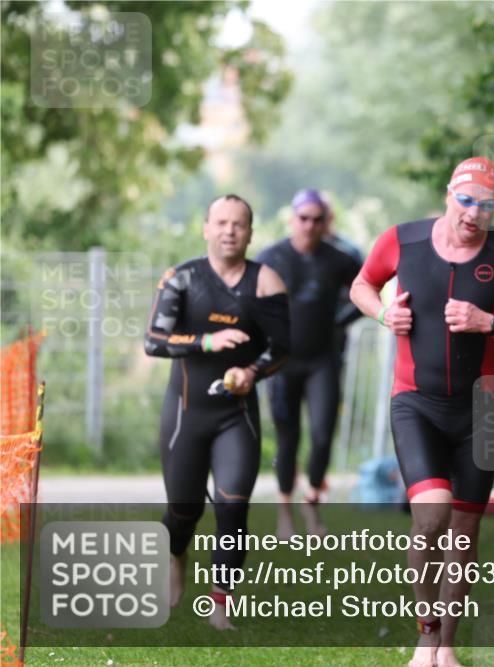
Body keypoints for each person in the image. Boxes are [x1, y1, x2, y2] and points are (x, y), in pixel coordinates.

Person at [350, 157, 494, 667]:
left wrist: (491, 323)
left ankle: (447, 647)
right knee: (431, 516)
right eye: (466, 201)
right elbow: (361, 285)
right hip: (415, 402)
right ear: (448, 195)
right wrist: (382, 312)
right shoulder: (402, 240)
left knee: (464, 535)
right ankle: (426, 633)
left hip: (479, 410)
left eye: (486, 206)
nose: (474, 214)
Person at [144, 194, 290, 630]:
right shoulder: (182, 278)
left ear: (250, 232)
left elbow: (282, 349)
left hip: (236, 415)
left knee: (232, 505)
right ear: (206, 228)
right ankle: (175, 553)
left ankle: (220, 605)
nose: (229, 231)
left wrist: (252, 371)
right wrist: (206, 342)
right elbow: (153, 341)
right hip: (186, 413)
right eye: (221, 223)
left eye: (239, 224)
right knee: (183, 510)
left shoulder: (266, 282)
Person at [256, 189, 362, 536]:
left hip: (322, 362)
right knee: (288, 439)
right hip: (283, 363)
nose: (310, 225)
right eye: (304, 218)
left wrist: (339, 321)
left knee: (321, 436)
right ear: (293, 219)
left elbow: (366, 291)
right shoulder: (271, 257)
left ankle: (312, 506)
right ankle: (285, 511)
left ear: (326, 222)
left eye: (318, 219)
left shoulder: (338, 260)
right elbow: (249, 301)